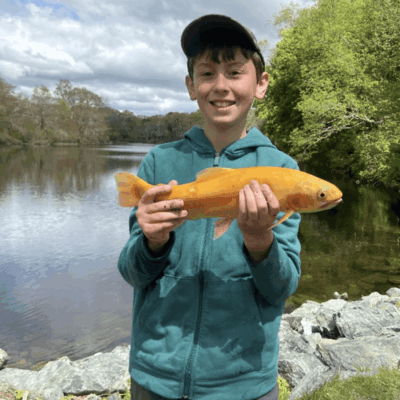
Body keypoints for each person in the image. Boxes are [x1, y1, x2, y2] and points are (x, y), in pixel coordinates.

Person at [118, 14, 301, 400]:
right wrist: (151, 241)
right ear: (191, 86)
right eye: (207, 74)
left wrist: (258, 240)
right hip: (155, 376)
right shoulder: (158, 164)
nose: (221, 87)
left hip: (244, 381)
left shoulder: (284, 171)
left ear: (261, 84)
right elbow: (133, 274)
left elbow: (281, 288)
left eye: (235, 72)